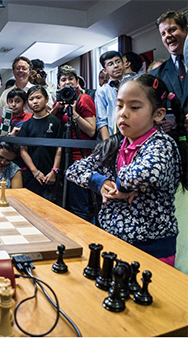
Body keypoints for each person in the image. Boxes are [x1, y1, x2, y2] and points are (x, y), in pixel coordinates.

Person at [66, 74, 188, 265]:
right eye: (119, 105)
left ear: (158, 114)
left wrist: (121, 188)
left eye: (135, 107)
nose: (123, 113)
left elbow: (145, 174)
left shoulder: (161, 144)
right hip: (114, 242)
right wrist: (102, 183)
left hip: (152, 250)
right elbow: (75, 169)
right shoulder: (116, 145)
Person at [51, 65, 96, 222]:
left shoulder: (84, 99)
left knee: (80, 205)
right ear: (58, 84)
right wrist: (57, 108)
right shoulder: (59, 100)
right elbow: (50, 125)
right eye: (63, 79)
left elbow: (91, 130)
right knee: (66, 203)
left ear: (77, 82)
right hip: (64, 158)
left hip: (81, 158)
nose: (67, 82)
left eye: (71, 79)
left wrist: (74, 114)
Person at [19, 85, 63, 201]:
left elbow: (59, 148)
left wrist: (54, 171)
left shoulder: (56, 122)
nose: (35, 102)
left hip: (51, 174)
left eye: (38, 97)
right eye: (31, 99)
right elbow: (23, 150)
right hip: (32, 175)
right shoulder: (26, 125)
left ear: (46, 99)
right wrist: (35, 171)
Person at [150, 10, 188, 127]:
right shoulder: (155, 75)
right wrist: (159, 124)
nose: (168, 36)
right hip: (174, 141)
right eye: (163, 33)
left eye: (172, 30)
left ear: (185, 30)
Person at [95, 51, 125, 140]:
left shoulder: (133, 85)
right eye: (110, 64)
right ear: (104, 70)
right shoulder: (102, 91)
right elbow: (101, 122)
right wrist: (108, 145)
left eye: (118, 61)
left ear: (123, 64)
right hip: (113, 137)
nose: (116, 66)